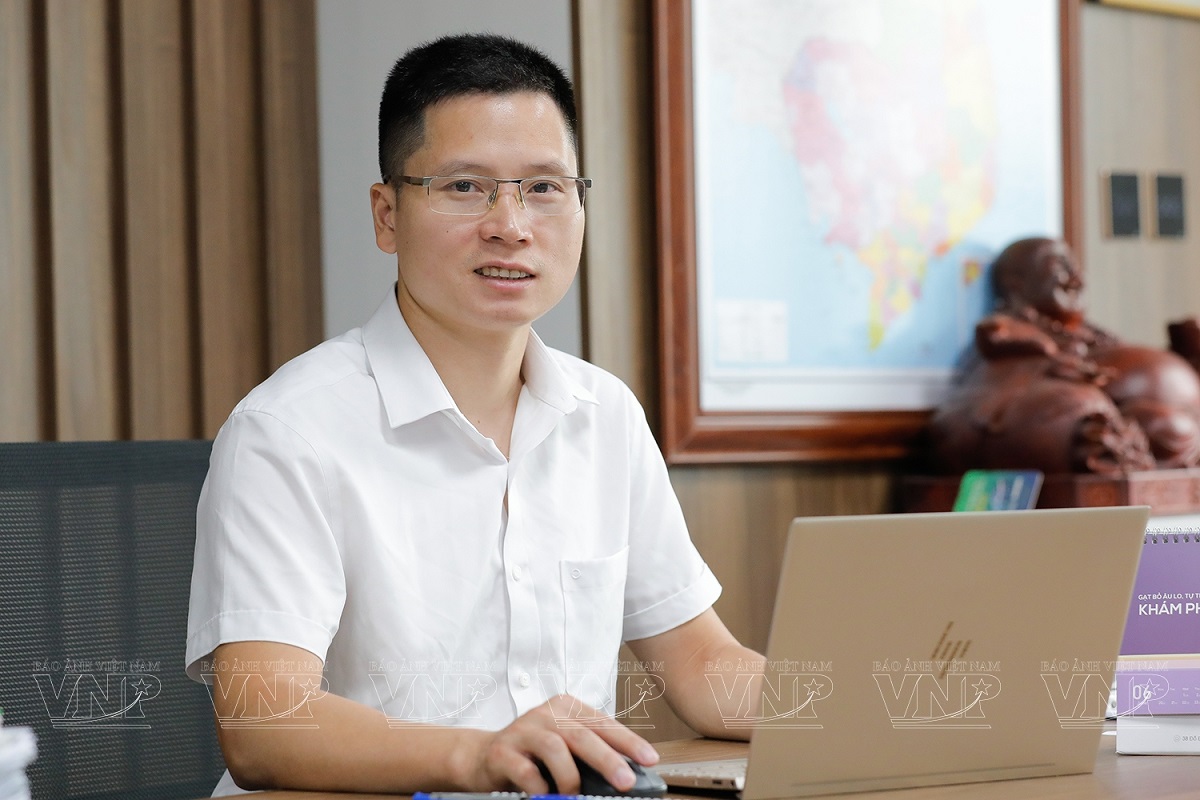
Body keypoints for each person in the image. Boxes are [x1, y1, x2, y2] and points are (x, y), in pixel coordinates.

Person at [185, 33, 765, 796]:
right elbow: (265, 721)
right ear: (387, 215)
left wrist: (866, 713)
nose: (511, 225)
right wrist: (480, 757)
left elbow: (700, 666)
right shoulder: (288, 431)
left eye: (545, 187)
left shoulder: (605, 416)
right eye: (465, 187)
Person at [928, 236, 1200, 475]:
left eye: (1075, 267)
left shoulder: (1092, 334)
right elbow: (996, 343)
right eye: (1059, 266)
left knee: (1165, 423)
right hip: (1101, 423)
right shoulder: (1012, 330)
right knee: (1160, 424)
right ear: (1016, 285)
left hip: (1149, 419)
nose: (1076, 277)